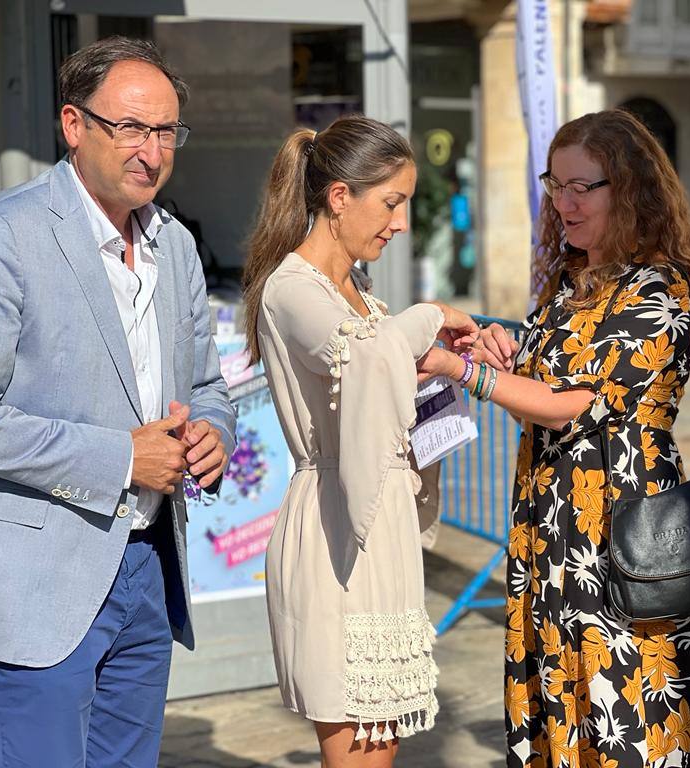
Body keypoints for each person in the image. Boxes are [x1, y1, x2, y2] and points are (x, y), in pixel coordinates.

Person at [418, 109, 690, 767]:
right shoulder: (570, 286)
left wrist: (464, 371)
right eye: (554, 184)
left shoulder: (658, 288)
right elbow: (533, 412)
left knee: (635, 721)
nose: (562, 201)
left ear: (629, 190)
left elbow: (568, 409)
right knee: (565, 716)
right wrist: (496, 359)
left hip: (624, 537)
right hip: (551, 535)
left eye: (581, 186)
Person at [0, 36, 236, 768]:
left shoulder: (177, 246)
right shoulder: (10, 235)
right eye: (130, 127)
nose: (151, 151)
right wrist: (121, 456)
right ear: (74, 125)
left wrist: (212, 435)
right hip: (41, 584)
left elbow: (207, 387)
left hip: (149, 567)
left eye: (166, 132)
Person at [241, 115, 480, 768]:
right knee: (358, 758)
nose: (399, 223)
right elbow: (372, 361)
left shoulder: (358, 291)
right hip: (334, 531)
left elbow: (380, 367)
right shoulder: (293, 290)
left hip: (374, 528)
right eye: (392, 203)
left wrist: (434, 353)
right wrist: (430, 318)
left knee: (380, 752)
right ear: (339, 196)